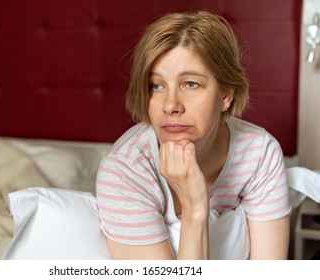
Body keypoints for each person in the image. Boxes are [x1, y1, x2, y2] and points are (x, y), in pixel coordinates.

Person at [95, 10, 291, 260]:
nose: (170, 105)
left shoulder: (259, 152)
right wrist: (195, 208)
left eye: (191, 84)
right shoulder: (124, 170)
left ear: (226, 96)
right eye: (156, 86)